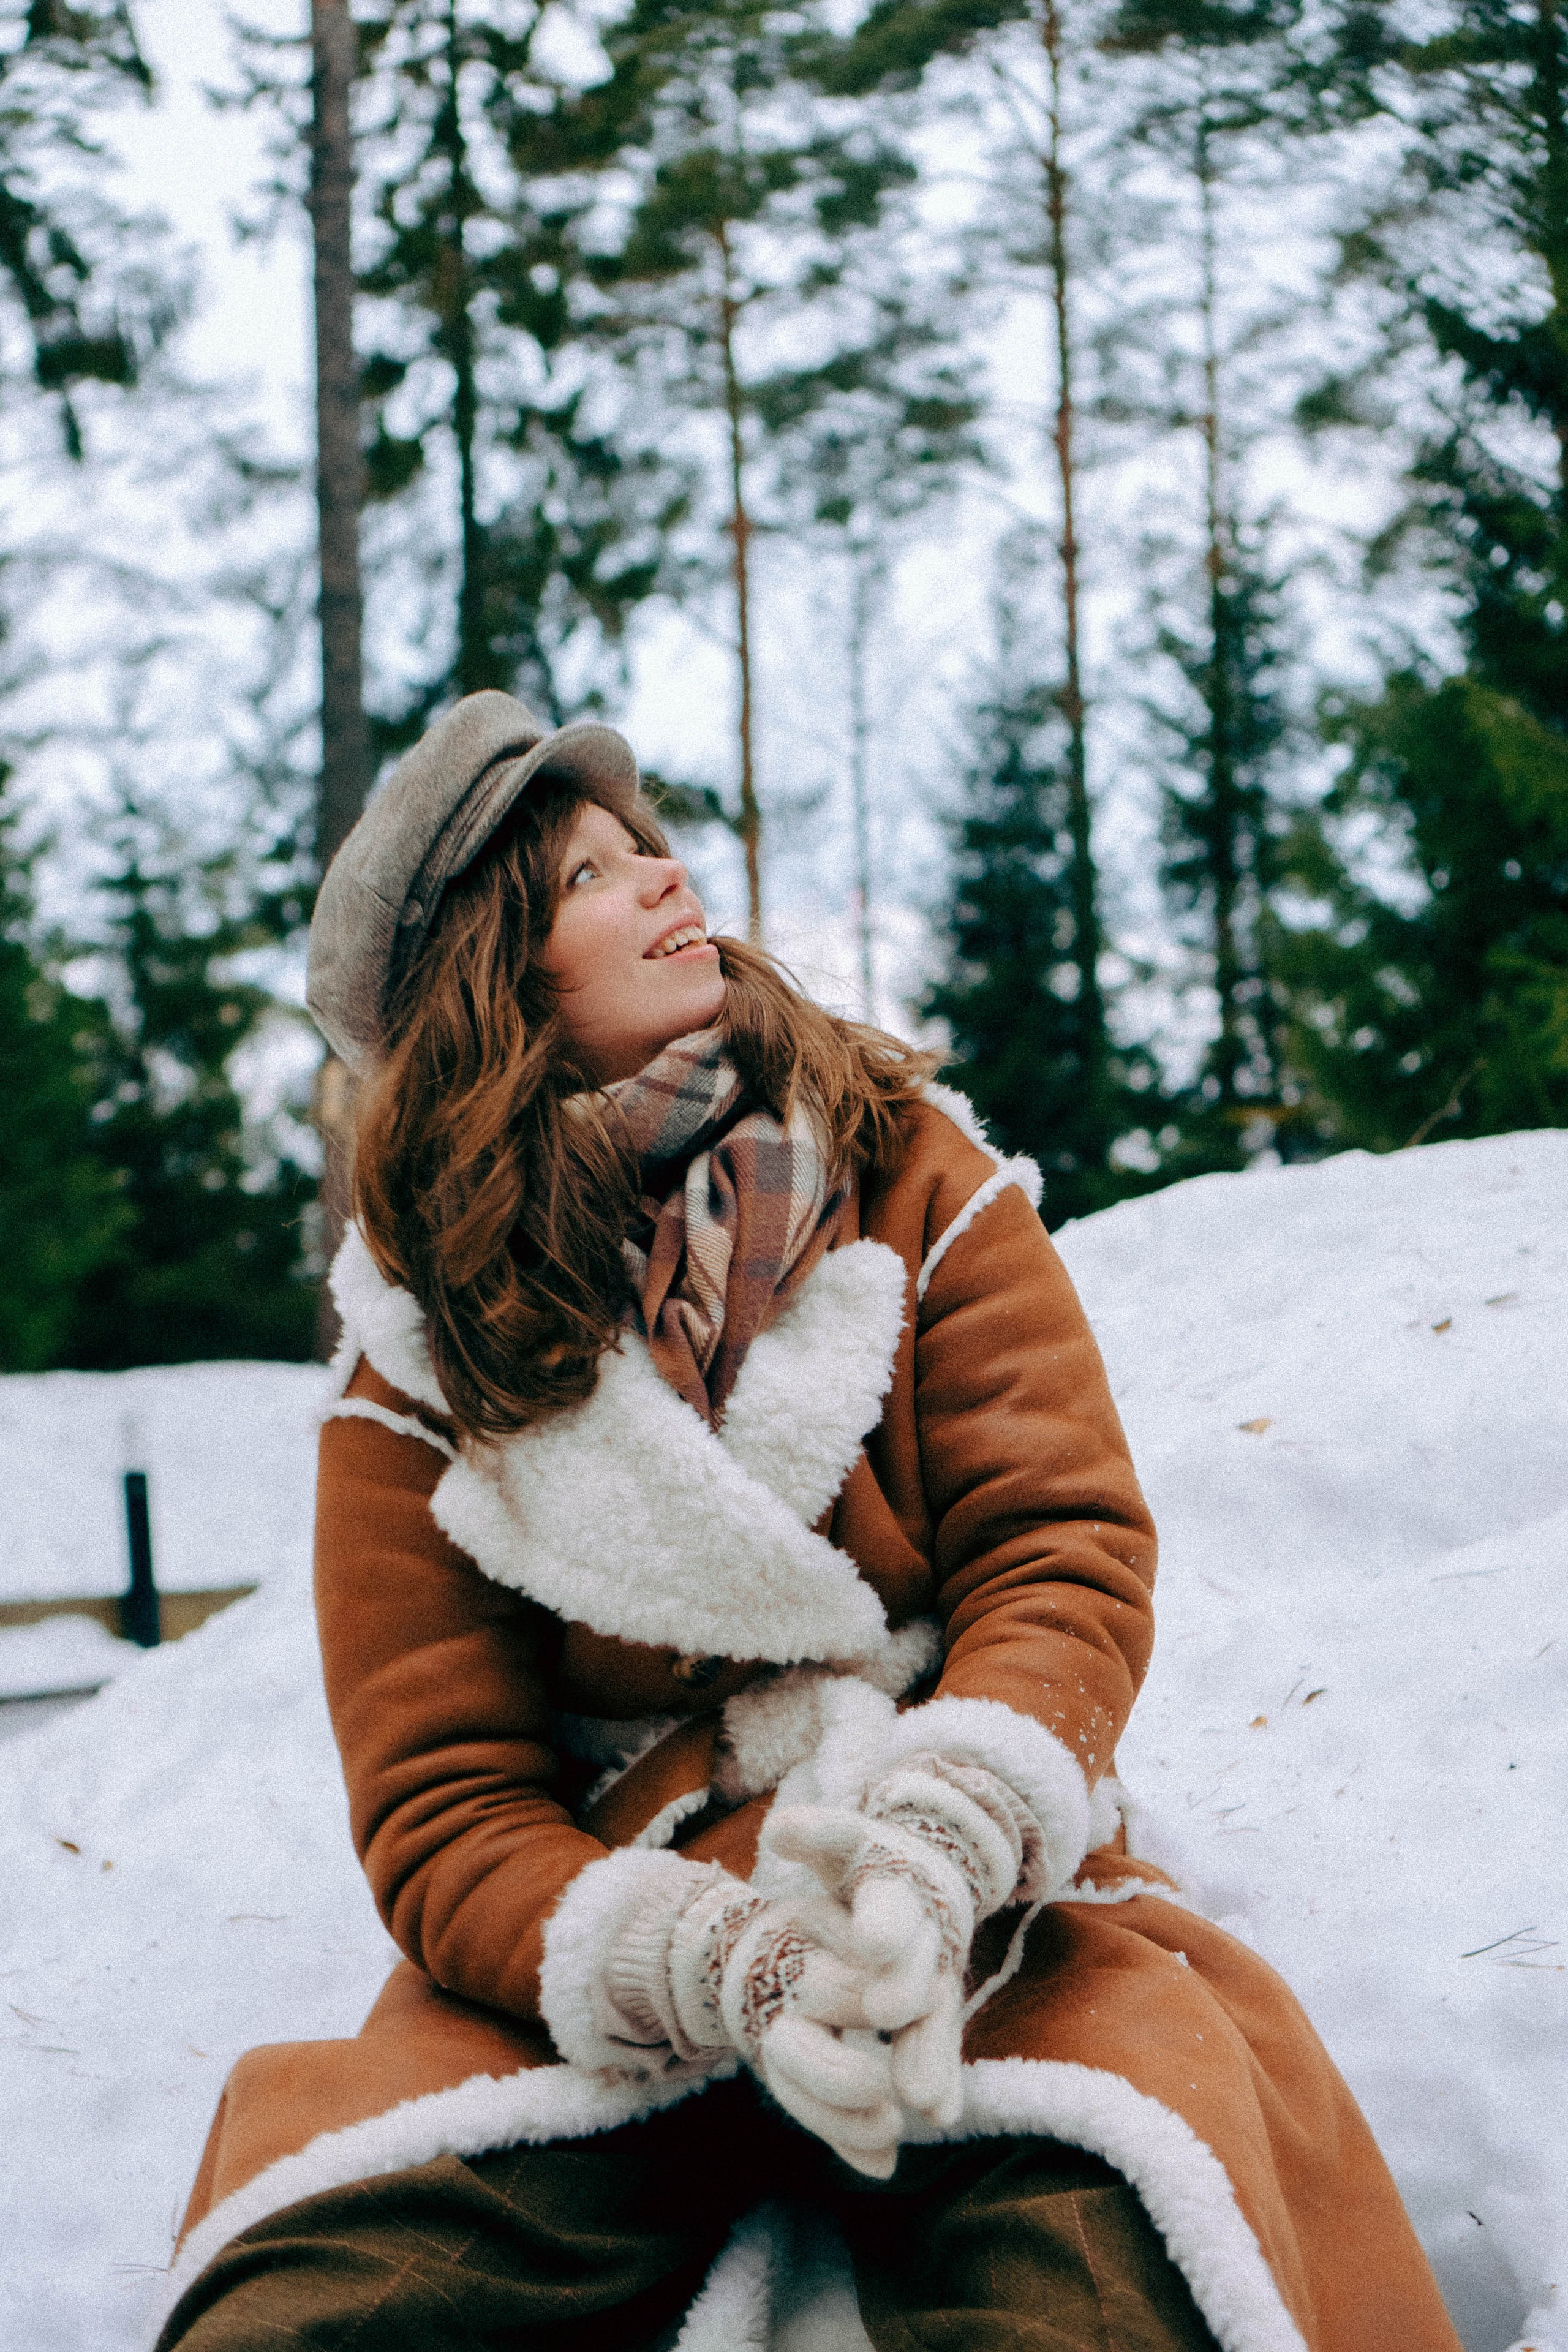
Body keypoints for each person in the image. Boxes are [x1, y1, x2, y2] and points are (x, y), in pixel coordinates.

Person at [146, 692, 1461, 2352]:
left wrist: (942, 1842)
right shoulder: (421, 1363)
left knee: (1105, 2275)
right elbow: (446, 1804)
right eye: (588, 877)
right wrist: (704, 1964)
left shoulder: (915, 1174)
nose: (663, 876)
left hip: (956, 1878)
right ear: (495, 982)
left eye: (650, 844)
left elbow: (1059, 1551)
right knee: (320, 2314)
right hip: (622, 1939)